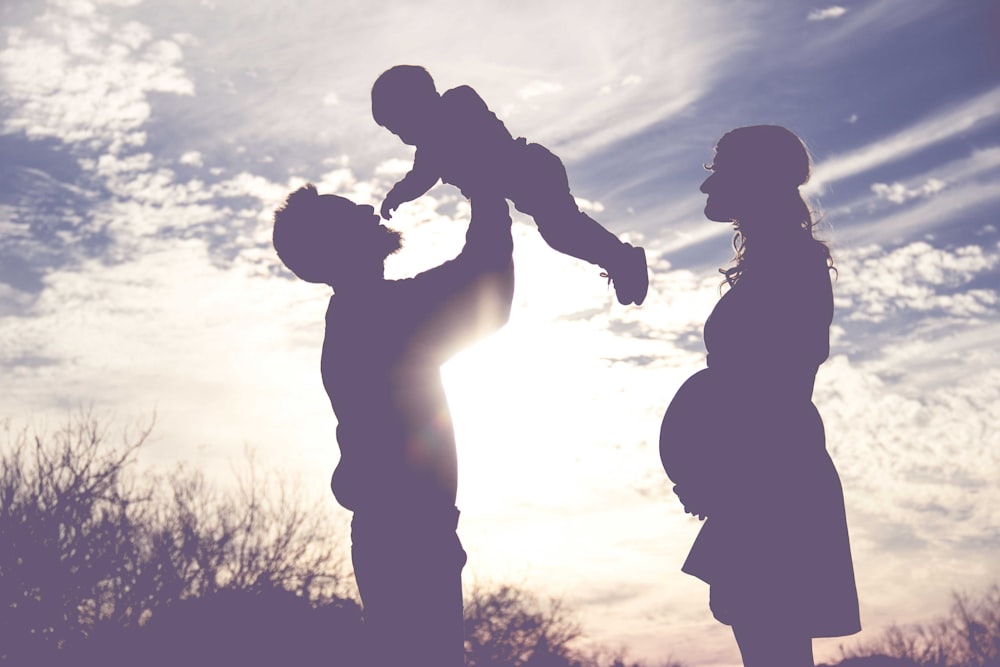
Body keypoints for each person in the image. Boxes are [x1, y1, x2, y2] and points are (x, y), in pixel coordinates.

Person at [272, 184, 516, 667]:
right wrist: (486, 189)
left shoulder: (362, 313)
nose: (366, 208)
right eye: (349, 214)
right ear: (336, 246)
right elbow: (486, 290)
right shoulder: (373, 315)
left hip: (400, 534)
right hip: (408, 538)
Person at [659, 125, 861, 666]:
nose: (707, 188)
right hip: (761, 479)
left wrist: (722, 471)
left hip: (771, 484)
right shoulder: (781, 262)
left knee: (774, 644)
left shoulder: (791, 266)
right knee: (768, 641)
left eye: (718, 173)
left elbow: (770, 392)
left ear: (752, 180)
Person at [371, 64, 649, 306]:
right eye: (396, 132)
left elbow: (471, 144)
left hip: (534, 170)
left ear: (418, 103)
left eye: (400, 125)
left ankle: (622, 259)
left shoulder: (458, 102)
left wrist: (460, 174)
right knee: (561, 233)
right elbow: (420, 177)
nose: (403, 136)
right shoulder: (430, 150)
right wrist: (399, 195)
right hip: (525, 184)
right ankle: (619, 261)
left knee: (563, 230)